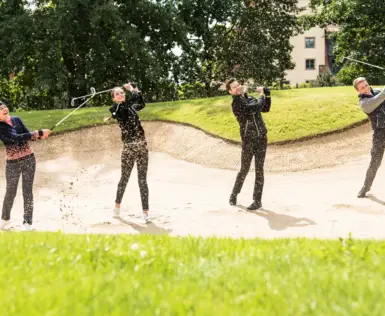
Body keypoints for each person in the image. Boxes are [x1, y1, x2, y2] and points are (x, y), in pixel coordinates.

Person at [0, 101, 51, 231]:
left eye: (4, 106)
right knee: (11, 191)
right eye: (0, 108)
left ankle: (27, 223)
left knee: (27, 190)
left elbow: (28, 135)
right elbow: (15, 138)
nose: (4, 108)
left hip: (29, 159)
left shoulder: (16, 120)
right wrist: (38, 132)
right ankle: (5, 220)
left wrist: (40, 136)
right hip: (12, 163)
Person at [226, 78, 271, 210]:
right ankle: (234, 193)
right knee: (244, 170)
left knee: (259, 170)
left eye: (238, 85)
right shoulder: (236, 104)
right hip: (248, 142)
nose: (237, 88)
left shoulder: (250, 98)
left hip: (261, 139)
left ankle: (257, 201)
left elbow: (265, 108)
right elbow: (255, 108)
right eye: (234, 87)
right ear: (230, 91)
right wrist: (262, 94)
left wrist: (267, 95)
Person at [109, 83, 150, 223]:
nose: (121, 94)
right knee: (124, 178)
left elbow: (142, 102)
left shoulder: (130, 106)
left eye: (122, 92)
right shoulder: (116, 109)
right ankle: (117, 207)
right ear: (114, 98)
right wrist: (132, 91)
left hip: (142, 146)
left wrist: (133, 90)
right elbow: (126, 108)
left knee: (142, 180)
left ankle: (145, 213)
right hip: (128, 148)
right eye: (118, 94)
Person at [353, 77, 385, 198]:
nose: (366, 88)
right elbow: (381, 97)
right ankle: (366, 187)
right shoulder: (364, 103)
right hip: (379, 134)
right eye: (362, 87)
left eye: (366, 85)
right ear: (358, 91)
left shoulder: (377, 91)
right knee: (375, 162)